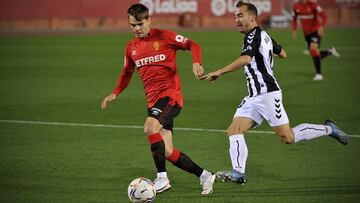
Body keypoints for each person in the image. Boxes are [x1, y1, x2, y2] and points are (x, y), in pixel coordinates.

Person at [201, 1, 348, 184]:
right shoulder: (264, 35)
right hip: (254, 97)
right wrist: (268, 52)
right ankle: (238, 173)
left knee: (288, 137)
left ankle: (328, 129)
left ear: (252, 18)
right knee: (234, 130)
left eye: (240, 15)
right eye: (235, 16)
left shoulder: (253, 35)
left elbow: (246, 59)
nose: (236, 20)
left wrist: (220, 71)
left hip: (268, 95)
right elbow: (283, 53)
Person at [101, 3, 215, 195]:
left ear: (148, 20)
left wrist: (196, 61)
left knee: (149, 127)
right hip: (154, 102)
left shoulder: (164, 36)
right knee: (168, 151)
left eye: (140, 24)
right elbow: (126, 72)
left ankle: (162, 178)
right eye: (132, 25)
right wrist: (116, 92)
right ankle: (204, 175)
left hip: (171, 96)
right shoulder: (131, 48)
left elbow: (193, 44)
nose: (137, 29)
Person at [292, 0, 340, 81]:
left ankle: (319, 74)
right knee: (315, 54)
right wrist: (294, 30)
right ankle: (330, 52)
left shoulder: (313, 5)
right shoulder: (295, 6)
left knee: (313, 51)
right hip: (306, 33)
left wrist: (321, 27)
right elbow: (294, 18)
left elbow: (324, 16)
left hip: (315, 31)